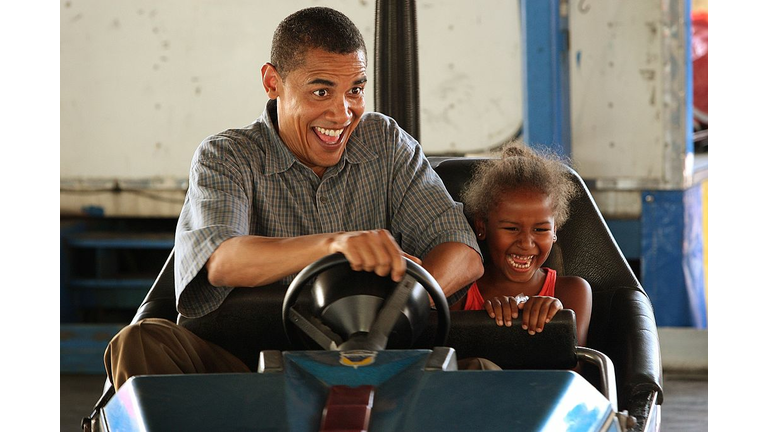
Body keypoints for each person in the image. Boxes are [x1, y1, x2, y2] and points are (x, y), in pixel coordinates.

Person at [104, 6, 483, 390]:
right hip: (254, 380)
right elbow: (221, 260)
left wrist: (394, 309)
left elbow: (463, 253)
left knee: (482, 372)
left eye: (355, 90)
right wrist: (336, 246)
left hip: (381, 369)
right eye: (321, 92)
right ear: (273, 83)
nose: (343, 114)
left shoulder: (385, 143)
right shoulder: (227, 156)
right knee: (139, 342)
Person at [450, 141, 592, 347]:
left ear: (555, 230)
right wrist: (487, 323)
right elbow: (442, 358)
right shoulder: (459, 290)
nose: (526, 243)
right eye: (511, 228)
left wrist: (556, 321)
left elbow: (576, 363)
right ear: (482, 226)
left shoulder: (571, 291)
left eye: (540, 230)